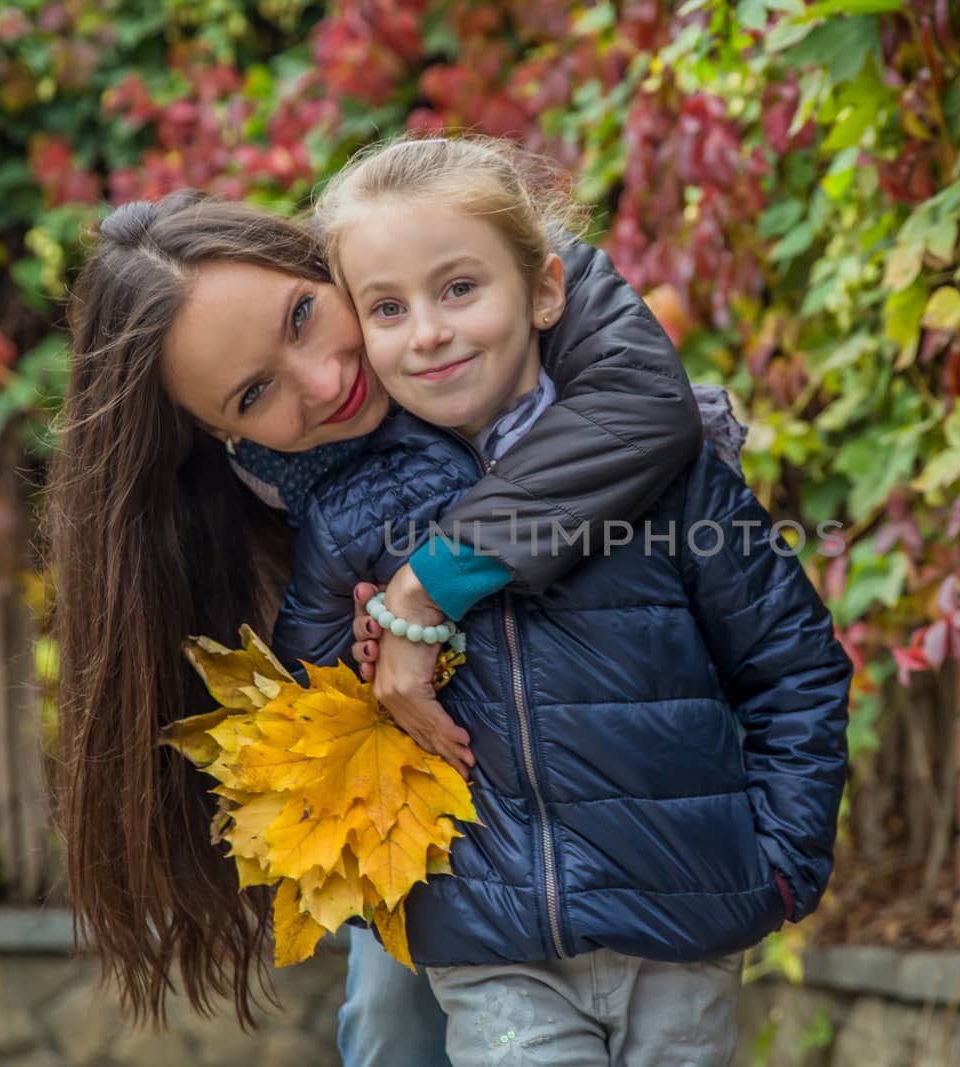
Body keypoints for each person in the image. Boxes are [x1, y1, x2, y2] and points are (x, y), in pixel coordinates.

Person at [47, 186, 712, 1065]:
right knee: (389, 1020)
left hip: (626, 778)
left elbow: (643, 404)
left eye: (300, 317)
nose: (324, 382)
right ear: (215, 436)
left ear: (312, 257)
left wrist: (425, 589)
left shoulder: (465, 254)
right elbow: (314, 698)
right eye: (254, 394)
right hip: (448, 789)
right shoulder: (271, 492)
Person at [274, 135, 851, 1065]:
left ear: (546, 292)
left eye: (460, 288)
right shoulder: (355, 513)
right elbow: (311, 713)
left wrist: (781, 860)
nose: (427, 331)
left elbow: (793, 666)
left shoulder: (674, 474)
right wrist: (360, 657)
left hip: (685, 917)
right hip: (490, 940)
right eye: (388, 307)